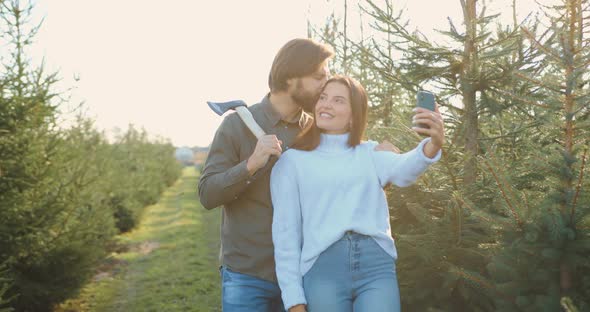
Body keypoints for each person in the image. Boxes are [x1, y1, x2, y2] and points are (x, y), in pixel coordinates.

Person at [270, 76, 445, 312]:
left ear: (354, 115)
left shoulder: (371, 153)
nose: (326, 105)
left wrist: (433, 143)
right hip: (322, 270)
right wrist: (294, 301)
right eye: (323, 98)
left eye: (338, 100)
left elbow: (404, 169)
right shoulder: (292, 162)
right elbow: (285, 237)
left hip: (376, 268)